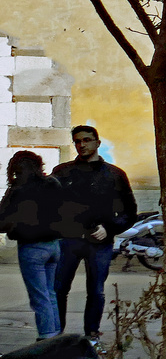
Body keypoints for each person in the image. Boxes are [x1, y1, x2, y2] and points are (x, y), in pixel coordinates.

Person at [53, 125, 136, 343]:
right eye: (78, 141)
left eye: (87, 140)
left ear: (97, 143)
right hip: (67, 241)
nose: (82, 145)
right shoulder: (62, 172)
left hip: (99, 242)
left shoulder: (115, 175)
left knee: (96, 291)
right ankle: (55, 335)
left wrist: (109, 228)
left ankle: (92, 334)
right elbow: (49, 205)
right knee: (58, 290)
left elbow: (129, 212)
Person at [2, 151, 63, 340]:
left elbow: (1, 219)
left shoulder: (17, 190)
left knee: (39, 297)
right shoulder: (53, 184)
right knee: (50, 293)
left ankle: (46, 337)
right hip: (54, 245)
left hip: (31, 247)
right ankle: (55, 336)